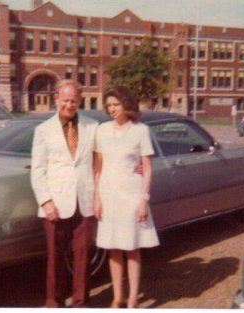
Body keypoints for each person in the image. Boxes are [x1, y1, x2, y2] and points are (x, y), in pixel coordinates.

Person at [30, 80, 98, 308]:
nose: (70, 105)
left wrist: (136, 165)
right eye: (66, 100)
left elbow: (103, 160)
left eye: (74, 101)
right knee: (55, 258)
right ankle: (54, 303)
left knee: (83, 256)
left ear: (80, 101)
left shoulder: (92, 126)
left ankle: (81, 303)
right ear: (56, 99)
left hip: (85, 202)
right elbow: (38, 170)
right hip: (55, 203)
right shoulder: (43, 130)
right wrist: (46, 202)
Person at [93, 85, 159, 308]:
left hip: (132, 195)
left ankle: (132, 299)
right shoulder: (102, 130)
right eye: (109, 105)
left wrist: (144, 200)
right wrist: (96, 198)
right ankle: (117, 296)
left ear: (126, 104)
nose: (112, 109)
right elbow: (98, 168)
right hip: (108, 194)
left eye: (116, 104)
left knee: (131, 248)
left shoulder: (140, 130)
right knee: (113, 248)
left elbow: (147, 168)